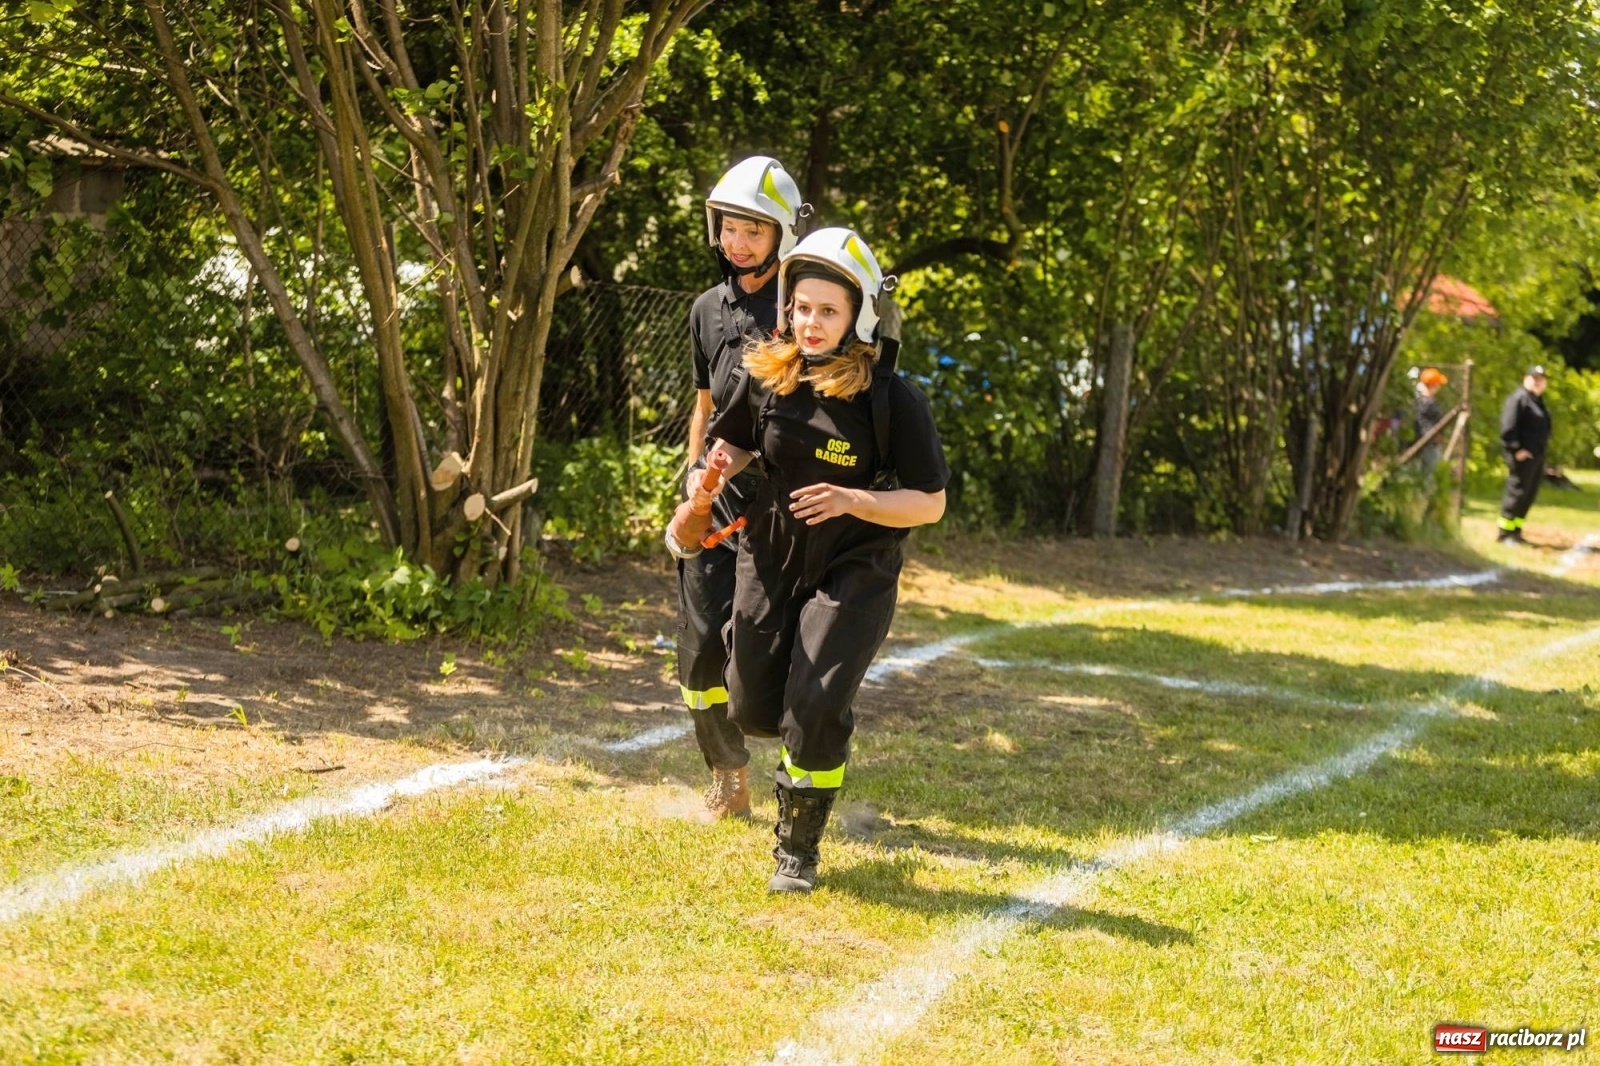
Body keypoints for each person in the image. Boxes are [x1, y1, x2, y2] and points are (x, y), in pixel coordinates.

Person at [703, 227, 949, 892]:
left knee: (814, 703)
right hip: (772, 554)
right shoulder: (766, 378)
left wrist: (853, 498)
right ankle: (802, 732)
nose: (811, 323)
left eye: (829, 311)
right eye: (803, 307)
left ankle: (798, 850)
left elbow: (928, 504)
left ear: (859, 316)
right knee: (754, 708)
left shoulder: (892, 400)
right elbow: (737, 447)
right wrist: (721, 469)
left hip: (854, 568)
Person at [668, 156, 807, 819]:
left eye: (755, 229)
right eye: (729, 227)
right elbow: (703, 403)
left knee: (758, 655)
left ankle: (801, 774)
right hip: (715, 497)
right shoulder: (706, 310)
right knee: (697, 651)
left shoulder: (803, 308)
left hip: (780, 507)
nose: (739, 242)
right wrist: (693, 478)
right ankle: (727, 773)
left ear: (781, 233)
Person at [1498, 365, 1551, 545]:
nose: (1537, 382)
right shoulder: (1519, 399)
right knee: (1516, 493)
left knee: (1528, 495)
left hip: (1536, 457)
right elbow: (1508, 427)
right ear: (1526, 378)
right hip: (1522, 457)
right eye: (1534, 378)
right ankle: (1505, 532)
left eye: (1541, 379)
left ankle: (1516, 530)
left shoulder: (1538, 401)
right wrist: (1516, 449)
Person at [1413, 367, 1448, 487]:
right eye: (1438, 384)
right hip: (1429, 443)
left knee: (1427, 475)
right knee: (1429, 477)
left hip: (1424, 442)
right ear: (1433, 384)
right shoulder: (1428, 402)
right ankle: (1426, 502)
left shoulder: (1420, 400)